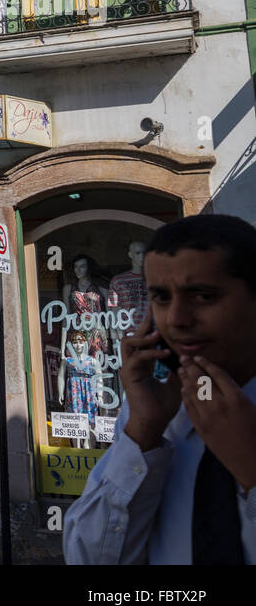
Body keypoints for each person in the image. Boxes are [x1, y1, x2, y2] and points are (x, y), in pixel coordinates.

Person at [63, 214, 256, 564]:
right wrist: (142, 433)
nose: (177, 319)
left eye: (203, 296)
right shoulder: (155, 413)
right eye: (162, 299)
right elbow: (89, 559)